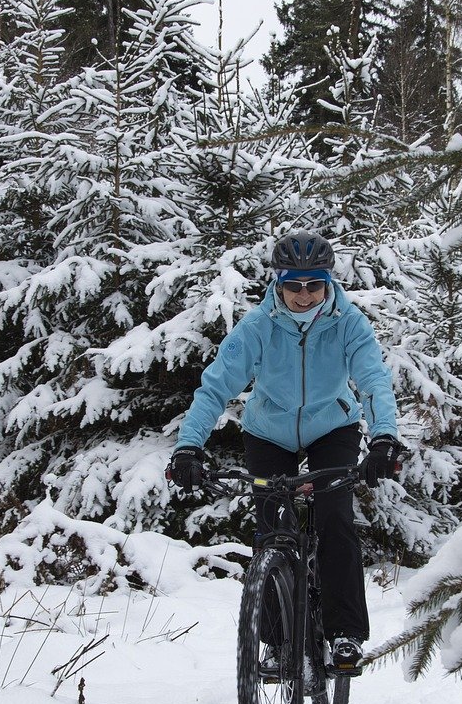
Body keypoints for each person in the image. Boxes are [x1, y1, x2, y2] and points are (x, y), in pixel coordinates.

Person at [166, 229, 403, 676]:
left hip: (332, 427)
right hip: (269, 432)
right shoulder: (257, 327)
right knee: (273, 530)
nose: (304, 295)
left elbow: (373, 380)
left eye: (314, 285)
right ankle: (276, 643)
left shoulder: (349, 322)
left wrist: (384, 437)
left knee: (334, 518)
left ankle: (344, 634)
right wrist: (188, 446)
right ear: (279, 283)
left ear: (328, 283)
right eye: (294, 285)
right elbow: (215, 388)